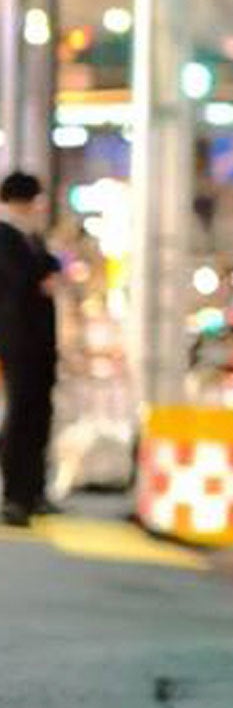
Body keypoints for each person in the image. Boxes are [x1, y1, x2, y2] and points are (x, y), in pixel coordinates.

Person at [0, 170, 60, 524]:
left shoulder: (30, 235)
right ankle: (15, 496)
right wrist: (41, 279)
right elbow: (19, 281)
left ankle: (35, 491)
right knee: (22, 415)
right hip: (19, 339)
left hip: (40, 341)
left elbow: (50, 266)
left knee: (40, 414)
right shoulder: (6, 236)